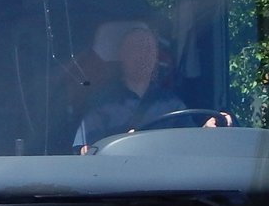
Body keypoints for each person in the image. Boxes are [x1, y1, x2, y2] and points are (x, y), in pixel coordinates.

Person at [73, 24, 229, 152]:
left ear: (156, 57)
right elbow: (86, 151)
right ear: (122, 55)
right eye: (136, 48)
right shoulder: (101, 102)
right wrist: (120, 147)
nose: (144, 55)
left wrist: (206, 132)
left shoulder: (171, 103)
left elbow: (190, 145)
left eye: (149, 49)